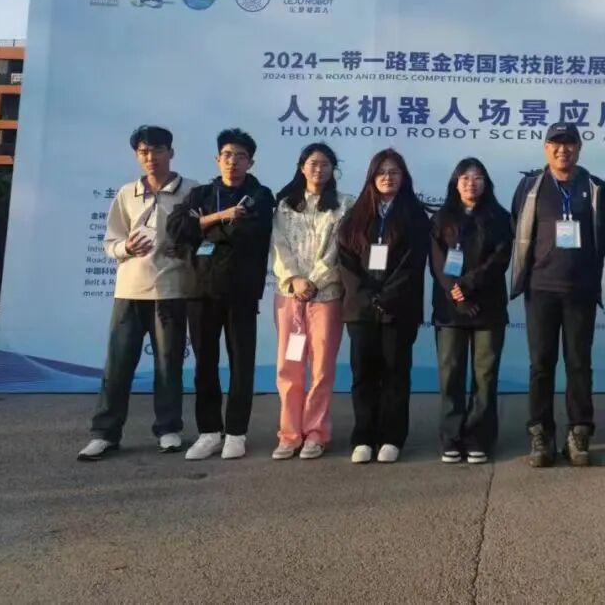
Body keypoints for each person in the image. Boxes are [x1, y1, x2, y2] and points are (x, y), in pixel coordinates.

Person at [78, 126, 198, 461]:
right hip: (129, 291)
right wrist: (126, 248)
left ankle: (169, 429)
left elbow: (204, 235)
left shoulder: (192, 191)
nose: (151, 157)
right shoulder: (126, 193)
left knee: (168, 364)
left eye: (157, 150)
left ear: (171, 153)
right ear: (137, 156)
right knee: (118, 365)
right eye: (144, 151)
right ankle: (104, 434)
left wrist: (186, 249)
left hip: (172, 290)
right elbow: (111, 241)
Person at [510, 122, 605, 468]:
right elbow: (517, 227)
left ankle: (578, 432)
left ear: (579, 149)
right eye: (556, 143)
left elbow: (604, 236)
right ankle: (540, 433)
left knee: (579, 364)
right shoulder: (530, 187)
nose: (562, 150)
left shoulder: (595, 188)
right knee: (541, 364)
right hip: (540, 289)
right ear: (546, 148)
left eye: (569, 144)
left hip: (580, 292)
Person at [168, 129, 275, 460]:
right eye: (227, 155)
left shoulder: (260, 195)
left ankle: (237, 432)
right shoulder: (200, 194)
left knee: (242, 363)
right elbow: (176, 230)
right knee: (205, 364)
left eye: (241, 156)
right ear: (217, 159)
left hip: (242, 291)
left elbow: (249, 233)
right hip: (201, 290)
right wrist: (221, 217)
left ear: (251, 162)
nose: (233, 162)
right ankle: (209, 431)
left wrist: (202, 227)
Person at [338, 149, 430, 464]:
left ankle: (392, 437)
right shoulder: (355, 215)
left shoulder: (415, 215)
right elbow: (346, 261)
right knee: (363, 374)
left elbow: (412, 263)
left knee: (395, 373)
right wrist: (367, 296)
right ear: (372, 177)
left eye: (394, 172)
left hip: (398, 308)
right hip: (360, 309)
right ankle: (363, 437)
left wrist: (387, 295)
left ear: (404, 177)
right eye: (382, 172)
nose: (387, 177)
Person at [269, 143, 354, 460]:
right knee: (289, 366)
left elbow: (338, 249)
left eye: (325, 164)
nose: (319, 169)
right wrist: (294, 279)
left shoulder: (344, 205)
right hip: (290, 297)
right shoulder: (285, 205)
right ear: (302, 166)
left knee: (321, 368)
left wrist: (314, 280)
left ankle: (316, 433)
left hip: (326, 296)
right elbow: (278, 245)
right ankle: (289, 434)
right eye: (313, 163)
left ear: (333, 169)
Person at [428, 158, 513, 464]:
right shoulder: (441, 218)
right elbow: (437, 262)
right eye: (465, 178)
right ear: (455, 183)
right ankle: (451, 437)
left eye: (478, 178)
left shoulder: (500, 218)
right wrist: (457, 293)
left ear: (486, 183)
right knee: (450, 374)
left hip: (487, 307)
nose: (471, 183)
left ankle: (479, 437)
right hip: (450, 310)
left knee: (485, 376)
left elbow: (500, 259)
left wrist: (468, 285)